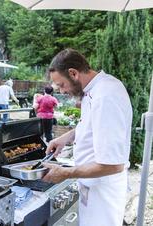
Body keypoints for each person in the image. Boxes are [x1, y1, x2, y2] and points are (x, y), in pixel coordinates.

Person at [42, 49, 132, 226]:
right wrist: (67, 137)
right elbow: (93, 125)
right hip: (92, 186)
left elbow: (113, 165)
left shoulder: (106, 96)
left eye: (61, 85)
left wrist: (66, 173)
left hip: (103, 192)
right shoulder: (94, 90)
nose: (61, 90)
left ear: (73, 73)